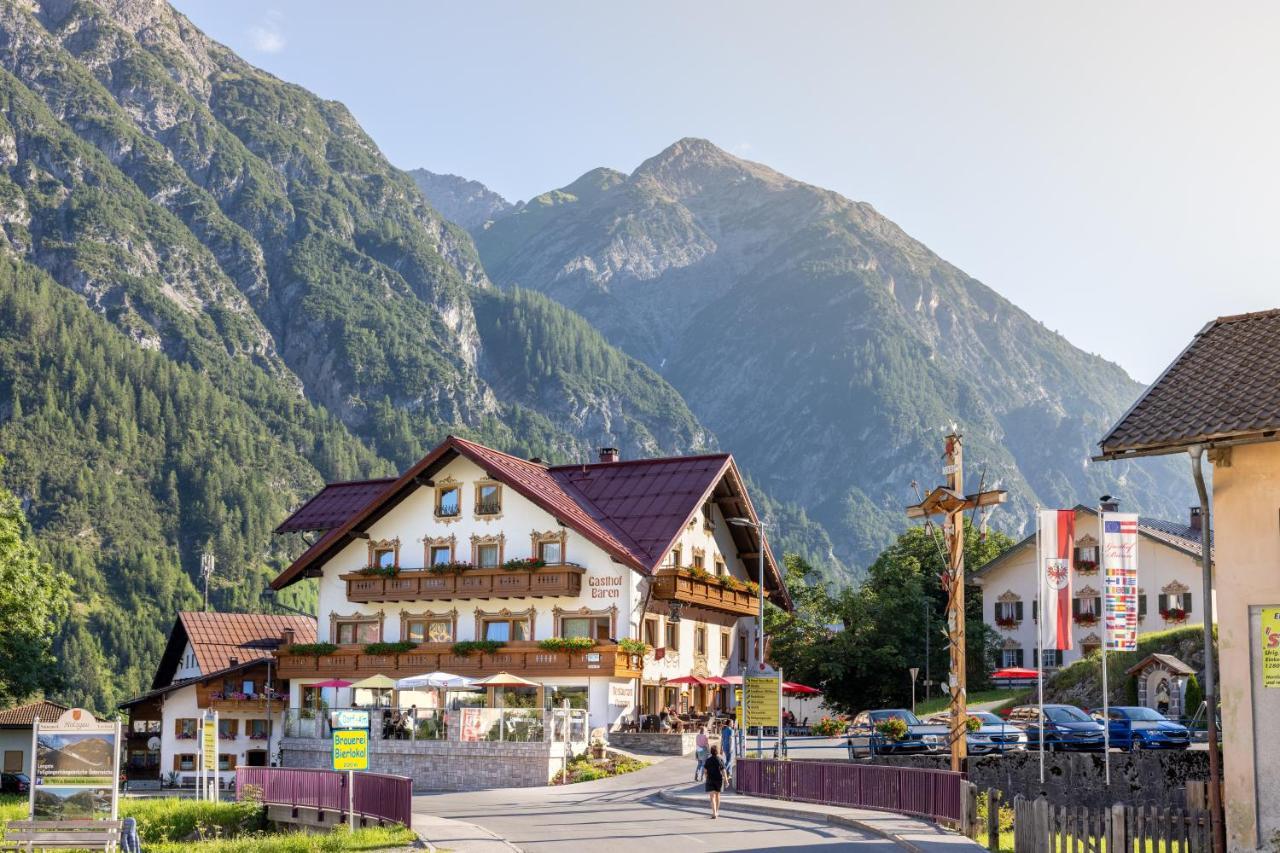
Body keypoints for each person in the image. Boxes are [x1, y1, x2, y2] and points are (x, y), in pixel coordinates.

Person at [703, 744, 725, 818]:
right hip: (718, 779)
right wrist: (726, 780)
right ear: (717, 751)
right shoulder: (720, 759)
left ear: (711, 752)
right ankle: (717, 811)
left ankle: (714, 812)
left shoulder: (708, 760)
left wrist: (706, 778)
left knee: (712, 797)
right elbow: (723, 770)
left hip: (710, 779)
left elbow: (705, 771)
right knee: (717, 795)